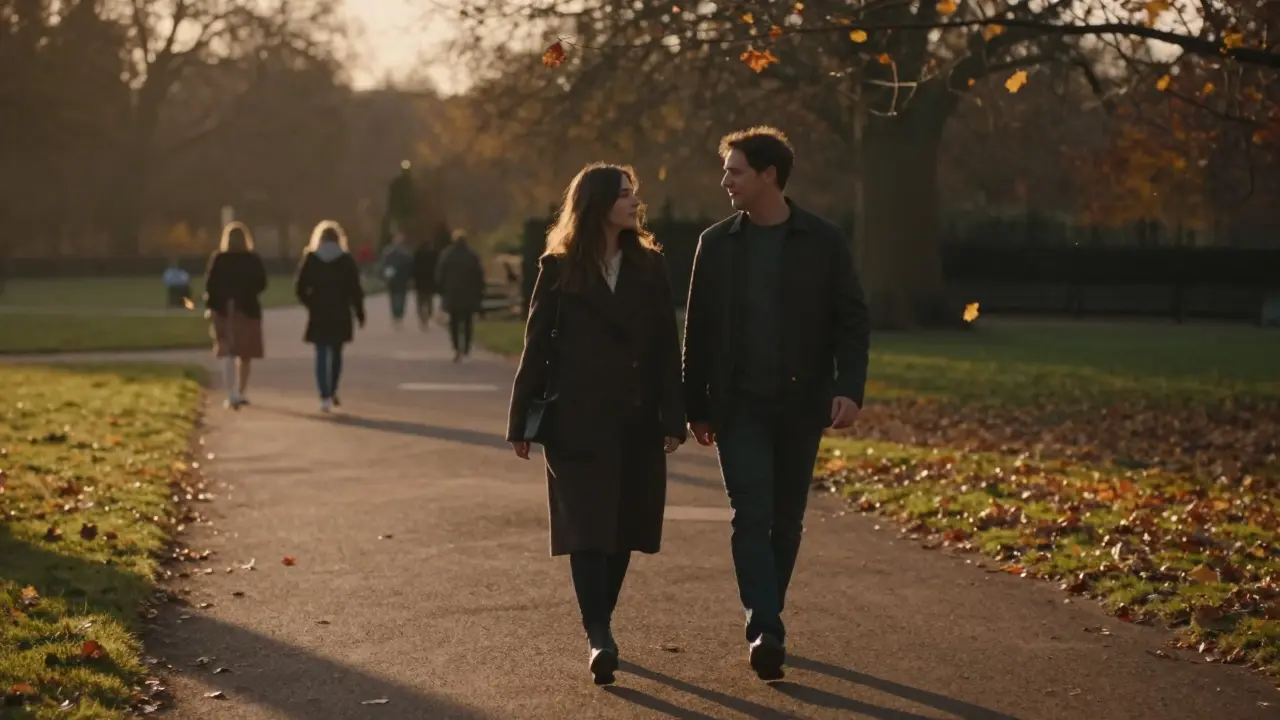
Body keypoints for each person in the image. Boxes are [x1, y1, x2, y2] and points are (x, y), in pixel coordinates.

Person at [682, 126, 870, 681]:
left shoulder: (823, 241)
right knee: (751, 515)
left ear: (769, 175)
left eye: (735, 171)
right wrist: (695, 407)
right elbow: (698, 331)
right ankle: (765, 626)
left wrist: (848, 387)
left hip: (801, 404)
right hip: (737, 404)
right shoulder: (716, 243)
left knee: (786, 522)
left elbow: (851, 320)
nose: (725, 181)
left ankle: (768, 613)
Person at [505, 163, 686, 686]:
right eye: (624, 194)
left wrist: (672, 415)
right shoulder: (559, 267)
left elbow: (665, 345)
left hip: (635, 416)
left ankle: (600, 620)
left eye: (634, 193)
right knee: (587, 527)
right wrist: (521, 419)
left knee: (624, 525)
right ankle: (599, 634)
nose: (634, 202)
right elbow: (536, 344)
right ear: (597, 203)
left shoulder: (649, 265)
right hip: (576, 420)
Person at [296, 220, 366, 413]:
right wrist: (360, 312)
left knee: (320, 352)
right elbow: (355, 290)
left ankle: (324, 394)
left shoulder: (312, 259)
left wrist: (310, 303)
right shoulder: (346, 260)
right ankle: (333, 389)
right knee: (336, 353)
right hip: (340, 311)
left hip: (319, 310)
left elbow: (300, 287)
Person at [204, 222, 268, 409]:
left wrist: (215, 304)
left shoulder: (219, 259)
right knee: (245, 353)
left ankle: (231, 393)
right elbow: (262, 283)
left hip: (224, 310)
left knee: (228, 352)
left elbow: (210, 285)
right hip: (247, 309)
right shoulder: (253, 259)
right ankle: (242, 390)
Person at [435, 230, 485, 362]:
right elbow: (479, 276)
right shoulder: (472, 256)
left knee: (454, 323)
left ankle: (456, 347)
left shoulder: (447, 255)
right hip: (469, 295)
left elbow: (440, 275)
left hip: (452, 295)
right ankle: (467, 346)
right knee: (468, 322)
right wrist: (479, 292)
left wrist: (441, 290)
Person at [380, 229, 415, 329]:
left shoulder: (404, 251)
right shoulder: (391, 251)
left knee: (401, 298)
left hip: (401, 277)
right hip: (395, 277)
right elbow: (384, 264)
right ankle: (396, 316)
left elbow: (410, 265)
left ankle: (398, 316)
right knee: (395, 297)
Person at [411, 238, 439, 330]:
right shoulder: (433, 254)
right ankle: (429, 313)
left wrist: (413, 278)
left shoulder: (417, 254)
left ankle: (422, 317)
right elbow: (437, 267)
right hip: (430, 281)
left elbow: (413, 267)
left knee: (420, 300)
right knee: (429, 299)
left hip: (419, 282)